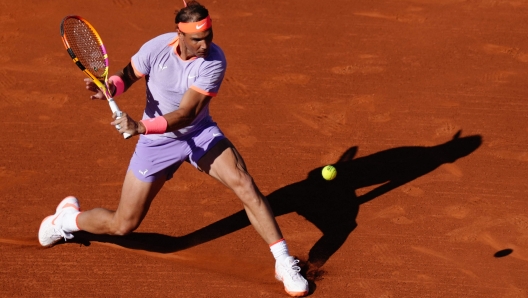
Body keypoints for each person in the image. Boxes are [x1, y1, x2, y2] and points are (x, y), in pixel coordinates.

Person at [38, 1, 308, 296]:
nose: (205, 44)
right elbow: (127, 75)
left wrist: (140, 126)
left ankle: (283, 262)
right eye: (197, 39)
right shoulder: (156, 48)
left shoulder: (214, 61)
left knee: (245, 184)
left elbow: (187, 114)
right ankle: (66, 220)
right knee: (123, 224)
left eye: (209, 36)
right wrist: (111, 87)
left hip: (199, 135)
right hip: (157, 145)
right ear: (179, 34)